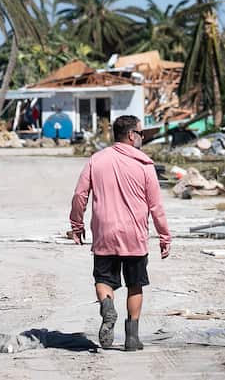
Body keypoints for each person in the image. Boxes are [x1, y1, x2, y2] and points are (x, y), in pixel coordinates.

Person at [68, 115, 171, 351]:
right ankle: (132, 338)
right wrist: (164, 236)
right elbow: (156, 206)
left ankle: (107, 305)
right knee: (135, 285)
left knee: (103, 280)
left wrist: (77, 224)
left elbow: (80, 195)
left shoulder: (96, 160)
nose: (143, 138)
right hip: (134, 235)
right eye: (141, 133)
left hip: (104, 233)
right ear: (132, 135)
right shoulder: (145, 165)